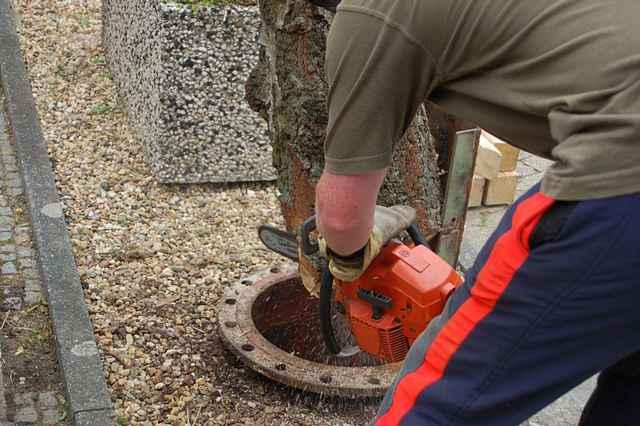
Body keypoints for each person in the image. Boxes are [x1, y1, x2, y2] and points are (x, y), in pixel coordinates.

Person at [307, 0, 640, 425]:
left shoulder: (371, 12)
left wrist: (348, 259)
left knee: (437, 405)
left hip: (621, 179)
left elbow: (339, 217)